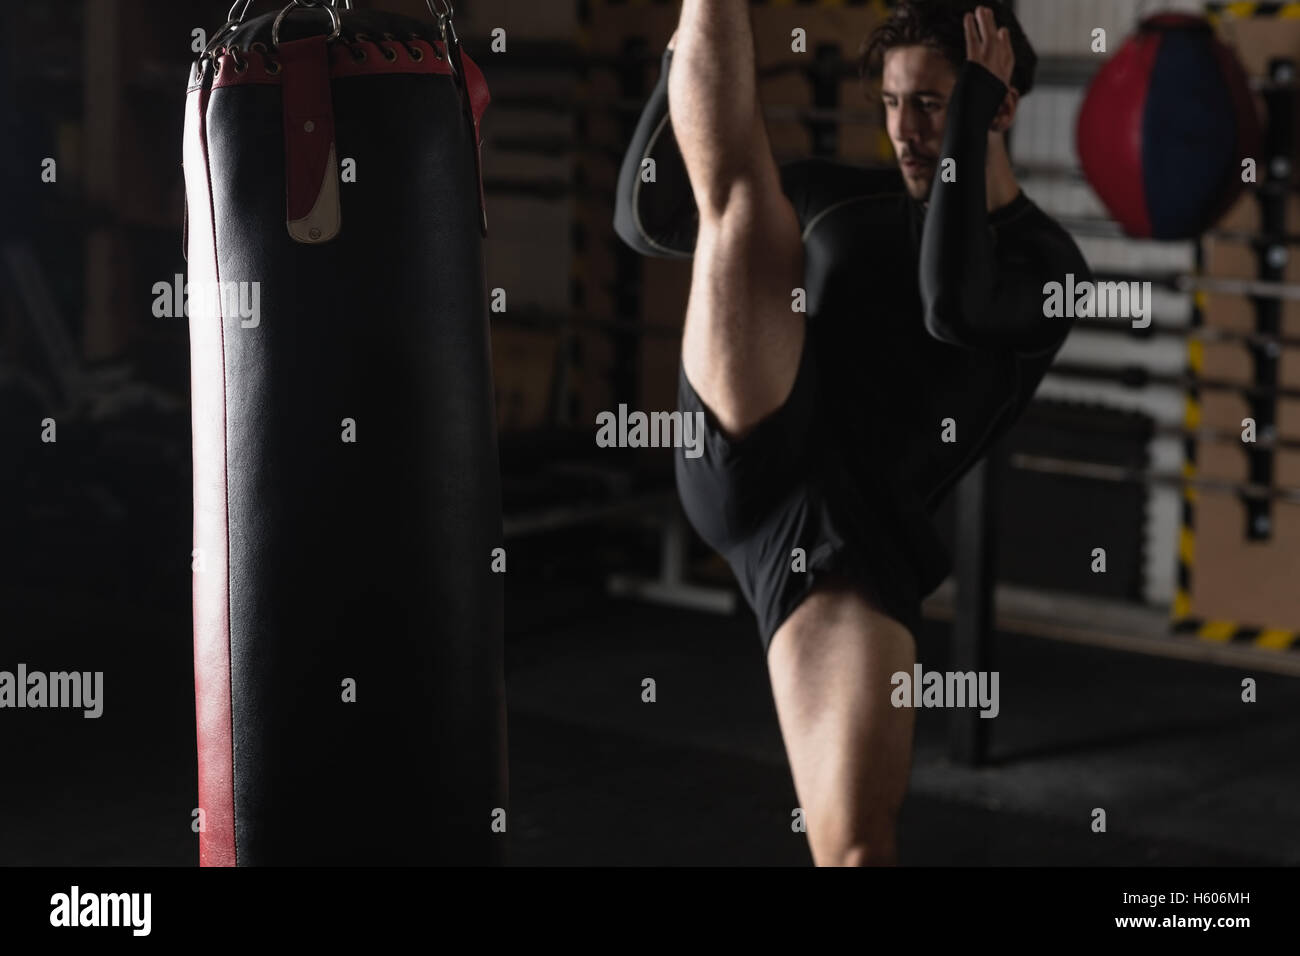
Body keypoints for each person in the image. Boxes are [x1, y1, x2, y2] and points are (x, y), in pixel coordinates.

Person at [613, 0, 1090, 865]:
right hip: (760, 442)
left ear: (999, 103)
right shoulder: (836, 198)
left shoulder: (1047, 266)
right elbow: (648, 218)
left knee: (858, 850)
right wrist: (678, 65)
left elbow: (950, 302)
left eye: (935, 104)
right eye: (894, 103)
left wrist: (969, 123)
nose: (906, 131)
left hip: (855, 550)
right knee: (746, 209)